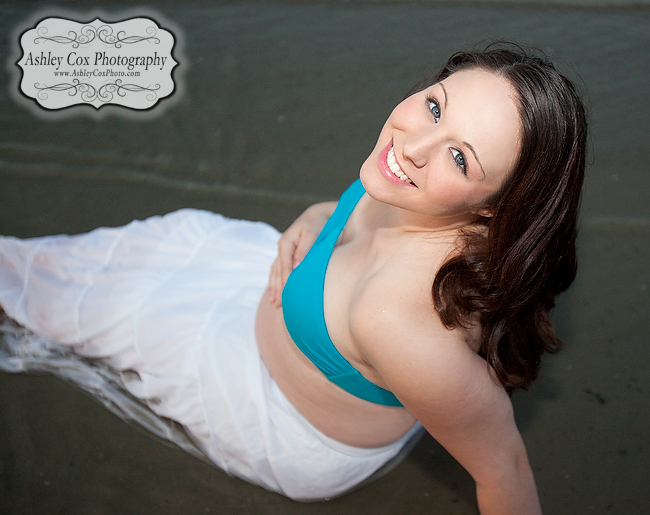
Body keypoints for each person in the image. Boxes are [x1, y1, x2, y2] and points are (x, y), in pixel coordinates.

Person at [0, 43, 587, 514]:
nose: (414, 145)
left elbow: (503, 467)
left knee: (102, 304)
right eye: (436, 106)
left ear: (492, 210)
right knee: (162, 240)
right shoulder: (414, 186)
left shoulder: (403, 325)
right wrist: (312, 222)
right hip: (293, 302)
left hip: (278, 415)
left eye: (461, 158)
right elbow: (348, 214)